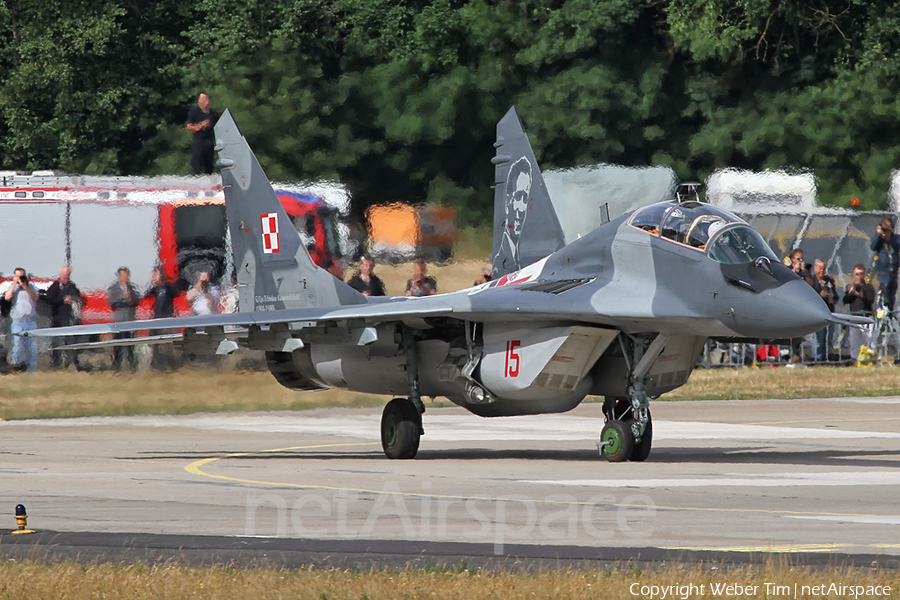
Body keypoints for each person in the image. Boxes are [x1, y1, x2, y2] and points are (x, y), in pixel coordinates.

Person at [44, 266, 85, 370]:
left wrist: (72, 299)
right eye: (64, 274)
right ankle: (56, 364)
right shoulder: (55, 286)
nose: (65, 276)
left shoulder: (72, 286)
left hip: (69, 319)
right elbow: (49, 299)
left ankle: (72, 363)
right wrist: (62, 300)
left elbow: (79, 298)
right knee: (57, 342)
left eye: (67, 274)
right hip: (57, 318)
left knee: (70, 342)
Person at [144, 266, 181, 370]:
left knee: (168, 344)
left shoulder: (168, 288)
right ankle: (156, 365)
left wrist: (162, 281)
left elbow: (176, 291)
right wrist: (153, 283)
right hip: (156, 319)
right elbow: (145, 295)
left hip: (167, 319)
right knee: (154, 344)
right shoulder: (155, 289)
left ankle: (172, 365)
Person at [3, 268, 40, 371]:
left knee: (31, 347)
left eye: (22, 276)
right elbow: (7, 297)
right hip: (17, 320)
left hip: (30, 320)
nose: (20, 278)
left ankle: (32, 369)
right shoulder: (12, 287)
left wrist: (25, 286)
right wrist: (15, 284)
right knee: (17, 345)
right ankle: (17, 366)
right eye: (18, 276)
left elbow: (36, 298)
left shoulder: (31, 286)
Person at [107, 267, 140, 371]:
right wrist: (123, 298)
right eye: (123, 276)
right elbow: (111, 302)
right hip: (119, 322)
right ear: (119, 277)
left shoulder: (132, 288)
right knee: (118, 346)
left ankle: (132, 368)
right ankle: (116, 368)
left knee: (131, 346)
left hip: (130, 320)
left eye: (127, 276)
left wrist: (130, 299)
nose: (125, 278)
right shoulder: (113, 288)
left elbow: (137, 301)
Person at [842, 263, 876, 362]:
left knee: (869, 340)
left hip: (866, 316)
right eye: (857, 274)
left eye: (861, 273)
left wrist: (861, 295)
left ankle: (871, 358)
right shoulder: (851, 287)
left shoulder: (868, 287)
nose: (859, 276)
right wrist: (851, 293)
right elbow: (845, 301)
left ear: (864, 274)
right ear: (854, 274)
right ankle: (854, 359)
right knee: (854, 341)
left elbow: (870, 300)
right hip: (854, 317)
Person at [870, 216, 900, 313]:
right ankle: (881, 315)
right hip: (883, 273)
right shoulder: (879, 239)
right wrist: (880, 235)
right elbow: (873, 247)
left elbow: (898, 244)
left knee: (891, 297)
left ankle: (890, 316)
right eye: (884, 226)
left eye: (888, 227)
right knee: (884, 294)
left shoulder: (896, 238)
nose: (886, 229)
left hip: (893, 274)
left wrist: (889, 238)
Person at [185, 91, 219, 175]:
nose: (205, 101)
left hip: (210, 141)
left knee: (209, 166)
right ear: (199, 100)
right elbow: (188, 126)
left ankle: (209, 181)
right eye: (203, 98)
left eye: (206, 98)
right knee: (197, 166)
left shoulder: (213, 113)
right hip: (199, 142)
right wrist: (200, 125)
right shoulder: (195, 112)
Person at [810, 259, 838, 362]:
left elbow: (836, 295)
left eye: (823, 268)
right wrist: (820, 296)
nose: (822, 271)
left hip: (829, 312)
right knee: (818, 339)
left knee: (829, 338)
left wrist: (832, 298)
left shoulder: (829, 281)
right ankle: (817, 358)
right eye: (819, 268)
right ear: (815, 268)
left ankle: (827, 356)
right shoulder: (812, 281)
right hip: (818, 314)